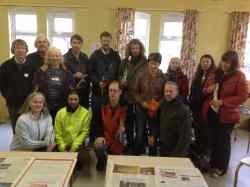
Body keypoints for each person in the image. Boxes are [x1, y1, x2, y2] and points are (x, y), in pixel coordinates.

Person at [203, 51, 248, 177]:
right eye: (223, 61)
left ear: (233, 63)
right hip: (212, 112)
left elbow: (243, 96)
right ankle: (212, 164)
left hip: (227, 115)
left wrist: (223, 102)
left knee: (223, 141)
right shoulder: (215, 73)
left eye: (228, 62)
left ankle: (221, 168)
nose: (224, 64)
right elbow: (205, 89)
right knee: (213, 140)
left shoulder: (239, 76)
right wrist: (208, 89)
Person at [118, 39, 147, 153]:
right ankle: (129, 145)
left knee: (140, 125)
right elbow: (119, 75)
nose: (135, 50)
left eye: (137, 48)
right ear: (129, 49)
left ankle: (139, 147)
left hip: (140, 98)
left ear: (141, 49)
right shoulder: (125, 62)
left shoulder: (145, 62)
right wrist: (122, 82)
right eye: (133, 48)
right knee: (129, 124)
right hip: (127, 97)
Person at [133, 53, 166, 155]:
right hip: (141, 107)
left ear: (159, 64)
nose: (153, 66)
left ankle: (153, 156)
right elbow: (134, 92)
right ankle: (138, 154)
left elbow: (166, 94)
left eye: (156, 63)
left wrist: (158, 104)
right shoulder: (141, 75)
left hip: (155, 109)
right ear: (148, 63)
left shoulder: (163, 77)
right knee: (139, 133)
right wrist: (142, 102)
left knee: (153, 134)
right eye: (151, 63)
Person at [0, 39, 35, 133]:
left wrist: (31, 99)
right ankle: (17, 146)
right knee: (16, 128)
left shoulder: (32, 66)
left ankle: (28, 147)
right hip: (13, 104)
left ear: (26, 50)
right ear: (13, 50)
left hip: (28, 104)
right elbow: (2, 85)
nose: (20, 50)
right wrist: (8, 95)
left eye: (22, 48)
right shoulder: (5, 66)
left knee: (28, 128)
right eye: (17, 48)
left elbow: (34, 84)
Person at [91, 81, 127, 171]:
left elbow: (130, 126)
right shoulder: (100, 105)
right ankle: (101, 160)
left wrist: (124, 129)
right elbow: (95, 124)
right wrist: (99, 136)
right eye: (110, 90)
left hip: (119, 138)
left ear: (120, 92)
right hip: (105, 136)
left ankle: (117, 155)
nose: (112, 93)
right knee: (98, 145)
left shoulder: (126, 106)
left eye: (115, 90)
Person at [33, 47, 74, 120]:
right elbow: (36, 88)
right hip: (45, 107)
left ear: (60, 57)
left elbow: (72, 89)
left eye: (57, 56)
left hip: (62, 106)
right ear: (48, 57)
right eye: (52, 56)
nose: (55, 58)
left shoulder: (67, 72)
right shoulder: (41, 71)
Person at [55, 90, 92, 171]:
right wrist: (62, 148)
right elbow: (57, 133)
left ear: (79, 100)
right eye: (71, 99)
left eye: (75, 99)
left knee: (86, 159)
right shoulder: (60, 113)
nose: (73, 102)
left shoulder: (85, 113)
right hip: (63, 144)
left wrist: (73, 148)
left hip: (76, 145)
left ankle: (75, 164)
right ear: (67, 100)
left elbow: (84, 132)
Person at [189, 54, 216, 164]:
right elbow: (194, 90)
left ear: (211, 63)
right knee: (197, 129)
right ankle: (198, 151)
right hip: (196, 106)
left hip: (205, 108)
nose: (205, 64)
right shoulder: (198, 74)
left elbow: (209, 92)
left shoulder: (213, 76)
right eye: (203, 61)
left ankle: (204, 154)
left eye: (207, 62)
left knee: (205, 131)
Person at [158, 81, 192, 157]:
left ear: (176, 92)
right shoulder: (163, 104)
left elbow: (185, 137)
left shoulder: (182, 110)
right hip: (164, 148)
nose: (168, 94)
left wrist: (177, 156)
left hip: (176, 151)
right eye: (166, 91)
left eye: (171, 91)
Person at [89, 31, 121, 98]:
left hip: (112, 92)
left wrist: (114, 83)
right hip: (97, 91)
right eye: (104, 41)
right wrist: (98, 82)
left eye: (107, 41)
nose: (106, 43)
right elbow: (90, 72)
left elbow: (119, 72)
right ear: (100, 41)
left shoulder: (116, 55)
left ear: (110, 41)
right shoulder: (94, 55)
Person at [64, 34, 90, 108]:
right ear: (71, 44)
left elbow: (88, 72)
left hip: (84, 92)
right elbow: (62, 75)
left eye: (79, 43)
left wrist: (84, 77)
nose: (76, 45)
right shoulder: (65, 58)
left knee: (84, 115)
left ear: (81, 44)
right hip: (71, 92)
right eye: (74, 42)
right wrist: (73, 75)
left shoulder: (85, 57)